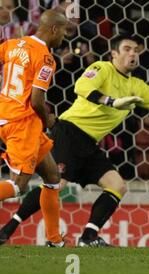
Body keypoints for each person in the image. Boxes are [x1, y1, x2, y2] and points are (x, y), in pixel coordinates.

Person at [0, 35, 149, 247]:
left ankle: (88, 237)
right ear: (114, 54)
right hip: (68, 132)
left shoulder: (136, 85)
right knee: (57, 184)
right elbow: (81, 88)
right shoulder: (103, 69)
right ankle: (8, 229)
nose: (133, 53)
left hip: (90, 143)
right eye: (128, 49)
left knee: (117, 185)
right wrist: (112, 101)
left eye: (136, 50)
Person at [0, 10, 68, 247]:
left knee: (52, 176)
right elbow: (38, 99)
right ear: (53, 30)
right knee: (18, 186)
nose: (64, 38)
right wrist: (48, 119)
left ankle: (54, 239)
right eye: (63, 32)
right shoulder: (46, 58)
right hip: (23, 123)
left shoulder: (12, 44)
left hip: (9, 116)